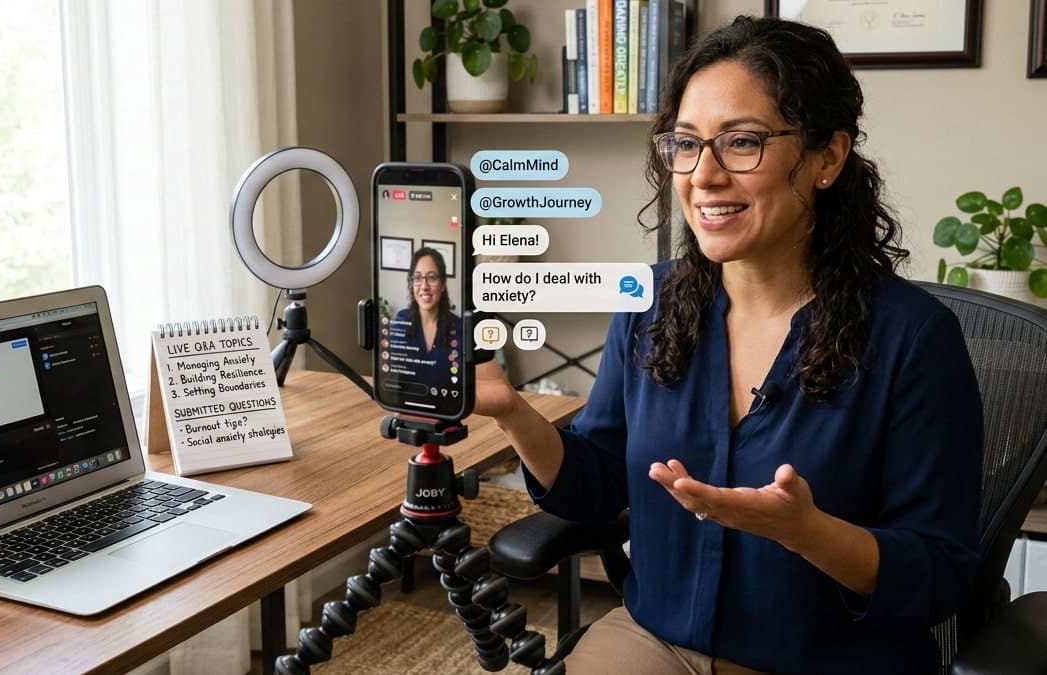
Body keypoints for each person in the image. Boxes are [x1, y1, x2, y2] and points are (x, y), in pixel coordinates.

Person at [472, 15, 982, 675]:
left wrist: (808, 533)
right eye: (685, 144)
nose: (702, 175)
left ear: (827, 156)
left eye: (741, 142)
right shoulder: (649, 304)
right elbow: (594, 488)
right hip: (654, 640)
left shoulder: (913, 338)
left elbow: (940, 575)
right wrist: (514, 411)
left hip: (826, 660)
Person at [390, 247, 462, 393]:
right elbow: (392, 374)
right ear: (411, 283)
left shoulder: (459, 327)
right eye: (417, 278)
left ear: (442, 284)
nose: (424, 286)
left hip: (447, 412)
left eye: (432, 277)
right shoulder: (401, 322)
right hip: (408, 410)